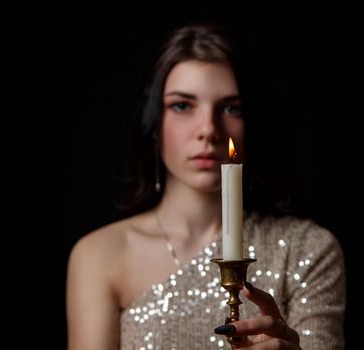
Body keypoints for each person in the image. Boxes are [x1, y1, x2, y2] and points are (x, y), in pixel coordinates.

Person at [66, 22, 345, 349]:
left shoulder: (308, 250)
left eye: (231, 108)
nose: (208, 129)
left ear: (252, 123)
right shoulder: (101, 255)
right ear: (155, 122)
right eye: (182, 105)